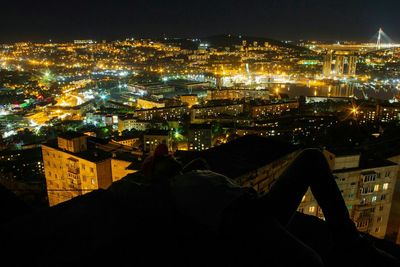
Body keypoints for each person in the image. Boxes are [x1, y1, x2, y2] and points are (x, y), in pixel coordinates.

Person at [149, 148, 400, 267]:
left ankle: (349, 242)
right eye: (162, 160)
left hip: (256, 207)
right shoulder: (166, 190)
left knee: (312, 157)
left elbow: (201, 165)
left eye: (168, 156)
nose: (169, 157)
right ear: (151, 174)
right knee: (310, 263)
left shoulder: (193, 173)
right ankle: (350, 251)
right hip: (242, 225)